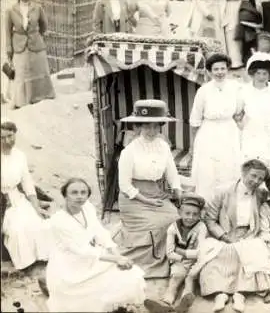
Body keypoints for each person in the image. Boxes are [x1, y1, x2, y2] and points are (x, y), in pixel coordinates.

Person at [190, 159, 270, 313]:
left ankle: (240, 295)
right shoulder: (223, 191)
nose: (256, 181)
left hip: (250, 234)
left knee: (253, 254)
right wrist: (225, 236)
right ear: (243, 173)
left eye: (260, 178)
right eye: (253, 176)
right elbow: (209, 219)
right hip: (226, 234)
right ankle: (220, 294)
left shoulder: (261, 194)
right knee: (215, 256)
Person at [46, 178, 146, 312]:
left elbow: (101, 233)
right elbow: (81, 250)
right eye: (74, 193)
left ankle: (119, 306)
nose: (80, 196)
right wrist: (115, 259)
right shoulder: (58, 221)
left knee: (131, 275)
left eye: (83, 192)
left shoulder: (87, 208)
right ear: (65, 195)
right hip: (70, 266)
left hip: (93, 257)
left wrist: (118, 256)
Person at [115, 99, 182, 279]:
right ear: (138, 127)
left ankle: (172, 258)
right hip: (133, 198)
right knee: (158, 224)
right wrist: (147, 201)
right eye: (146, 127)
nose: (151, 131)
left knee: (176, 219)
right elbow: (124, 186)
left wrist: (178, 191)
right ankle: (145, 263)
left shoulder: (163, 146)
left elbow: (171, 171)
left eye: (155, 127)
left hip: (155, 192)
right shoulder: (129, 151)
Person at [189, 53, 242, 200]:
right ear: (209, 71)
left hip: (229, 130)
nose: (220, 72)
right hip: (208, 131)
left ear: (228, 69)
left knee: (228, 166)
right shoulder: (203, 91)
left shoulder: (236, 88)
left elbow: (239, 112)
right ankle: (205, 204)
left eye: (223, 68)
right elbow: (195, 118)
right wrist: (194, 143)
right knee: (208, 169)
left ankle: (226, 204)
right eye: (216, 69)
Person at [144, 193, 207, 313]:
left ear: (199, 215)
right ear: (180, 213)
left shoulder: (201, 227)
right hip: (179, 261)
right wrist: (182, 259)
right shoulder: (173, 228)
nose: (190, 217)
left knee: (190, 278)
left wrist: (184, 253)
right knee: (176, 276)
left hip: (196, 261)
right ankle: (168, 300)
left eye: (195, 214)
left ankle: (183, 304)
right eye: (187, 213)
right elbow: (170, 253)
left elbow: (201, 251)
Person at [1, 118, 50, 271]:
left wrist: (36, 207)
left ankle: (40, 259)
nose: (7, 140)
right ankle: (25, 264)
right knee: (16, 230)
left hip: (17, 198)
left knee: (38, 224)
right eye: (2, 137)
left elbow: (27, 183)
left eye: (10, 136)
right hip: (3, 201)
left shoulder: (20, 155)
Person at [235, 52, 270, 172]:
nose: (261, 76)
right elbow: (238, 113)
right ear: (253, 73)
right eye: (258, 73)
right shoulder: (244, 90)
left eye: (265, 73)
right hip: (251, 132)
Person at [5, 0, 55, 109]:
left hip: (36, 44)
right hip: (19, 46)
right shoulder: (10, 10)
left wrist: (36, 35)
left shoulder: (38, 7)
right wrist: (9, 48)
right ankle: (21, 101)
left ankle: (42, 96)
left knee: (39, 69)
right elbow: (8, 32)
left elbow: (44, 25)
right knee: (21, 73)